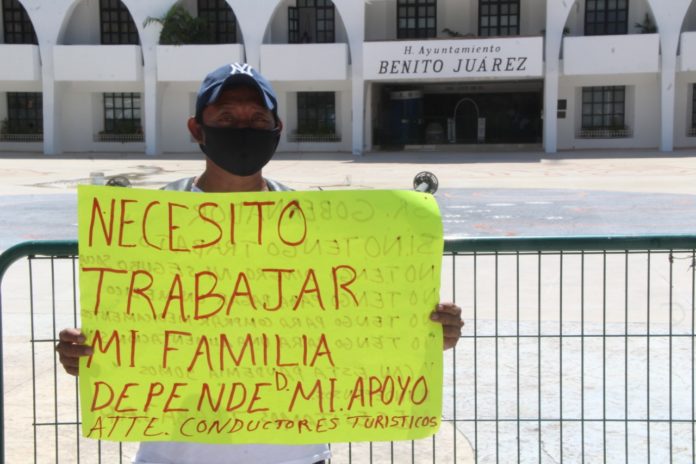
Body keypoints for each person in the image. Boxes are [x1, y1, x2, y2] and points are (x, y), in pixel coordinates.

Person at [56, 63, 464, 464]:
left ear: (276, 131)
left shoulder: (316, 224)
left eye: (256, 118)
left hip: (293, 453)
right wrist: (85, 353)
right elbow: (123, 328)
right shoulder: (145, 222)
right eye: (227, 117)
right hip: (176, 453)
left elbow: (360, 320)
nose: (243, 129)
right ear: (197, 129)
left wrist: (424, 332)